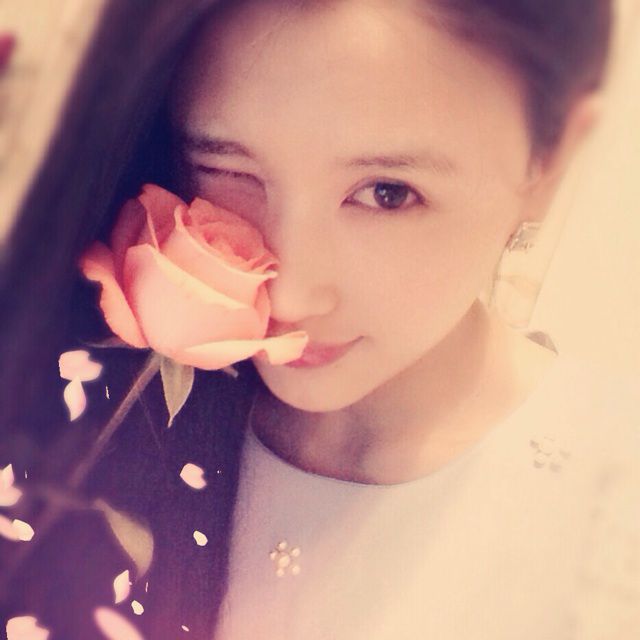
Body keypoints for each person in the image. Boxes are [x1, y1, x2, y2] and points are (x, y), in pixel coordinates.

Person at [0, 1, 637, 638]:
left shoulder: (613, 527)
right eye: (226, 171)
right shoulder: (88, 399)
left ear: (550, 161)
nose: (291, 296)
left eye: (388, 193)